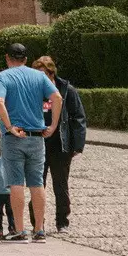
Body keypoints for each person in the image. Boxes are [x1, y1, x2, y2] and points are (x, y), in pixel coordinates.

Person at [0, 41, 61, 243]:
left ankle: (19, 230)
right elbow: (57, 97)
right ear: (25, 59)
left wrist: (9, 125)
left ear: (7, 58)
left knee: (16, 183)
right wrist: (53, 125)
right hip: (37, 137)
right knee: (37, 183)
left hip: (15, 137)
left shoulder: (2, 77)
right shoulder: (39, 76)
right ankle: (39, 230)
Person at [35, 55, 87, 231]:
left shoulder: (66, 90)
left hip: (60, 143)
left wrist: (77, 145)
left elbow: (78, 117)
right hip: (38, 143)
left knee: (60, 185)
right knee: (36, 184)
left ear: (51, 74)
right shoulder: (34, 90)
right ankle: (37, 221)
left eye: (44, 75)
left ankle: (62, 221)